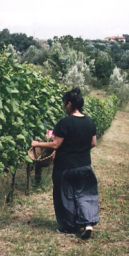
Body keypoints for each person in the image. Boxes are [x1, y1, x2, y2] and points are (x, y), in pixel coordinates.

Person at [31, 88, 99, 240]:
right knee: (85, 194)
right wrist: (79, 148)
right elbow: (93, 143)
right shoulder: (89, 121)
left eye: (64, 104)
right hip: (84, 165)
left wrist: (37, 143)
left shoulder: (65, 122)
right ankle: (88, 223)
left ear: (69, 104)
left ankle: (69, 227)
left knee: (66, 196)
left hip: (65, 167)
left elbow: (55, 145)